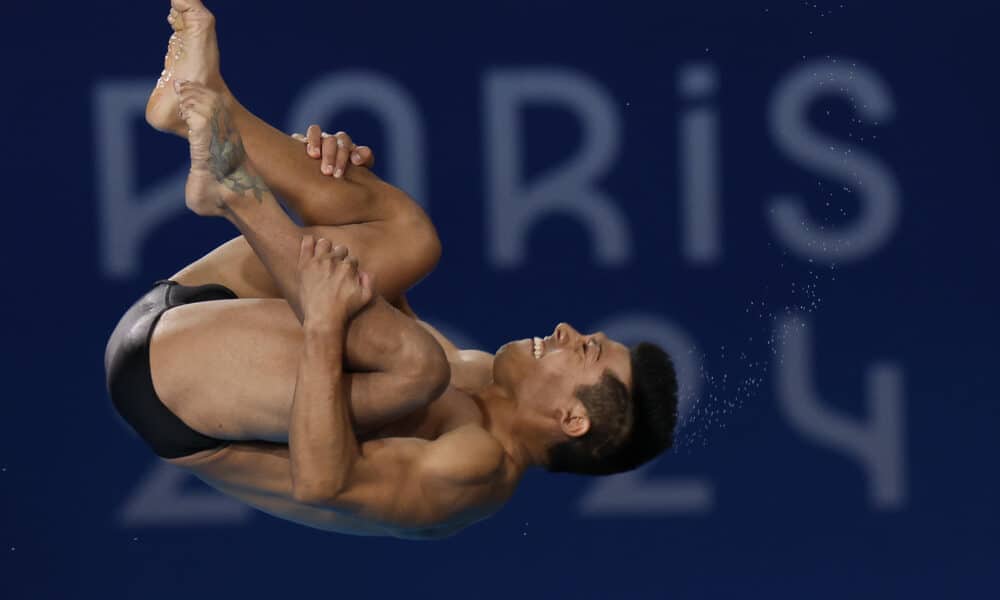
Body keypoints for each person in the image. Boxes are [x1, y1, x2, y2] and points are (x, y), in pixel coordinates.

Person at [106, 0, 679, 540]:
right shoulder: (477, 377)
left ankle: (236, 192)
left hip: (168, 387)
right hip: (197, 313)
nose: (564, 332)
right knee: (410, 238)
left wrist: (327, 325)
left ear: (571, 418)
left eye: (583, 352)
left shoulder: (477, 470)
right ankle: (198, 103)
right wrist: (344, 188)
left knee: (416, 363)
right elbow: (355, 296)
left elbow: (322, 482)